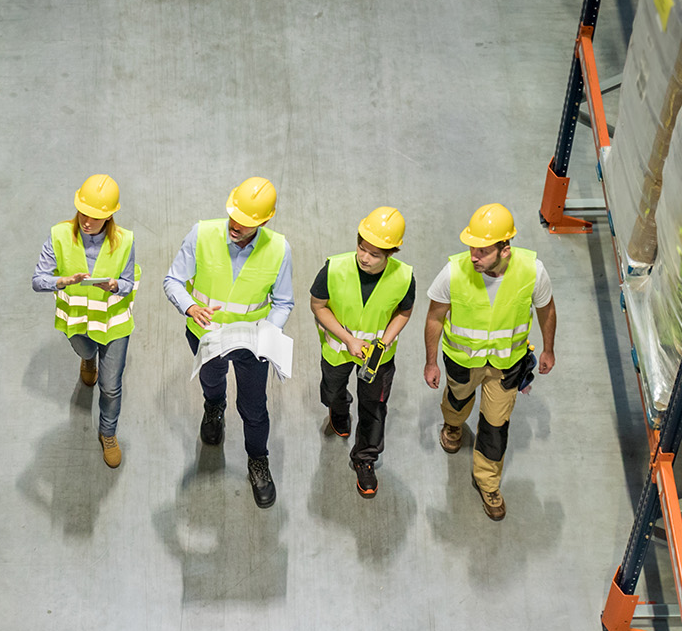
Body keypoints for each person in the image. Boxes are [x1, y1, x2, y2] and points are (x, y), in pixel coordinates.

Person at [163, 176, 293, 509]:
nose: (236, 225)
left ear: (264, 221)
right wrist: (190, 307)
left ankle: (257, 460)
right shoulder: (202, 233)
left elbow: (283, 302)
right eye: (234, 216)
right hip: (206, 337)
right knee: (212, 382)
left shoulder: (279, 249)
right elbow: (173, 280)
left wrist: (267, 334)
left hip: (252, 345)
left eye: (247, 222)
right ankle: (214, 408)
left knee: (254, 407)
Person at [421, 203, 557, 521]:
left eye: (482, 251)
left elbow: (546, 310)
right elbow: (434, 318)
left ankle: (488, 482)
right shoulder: (453, 271)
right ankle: (453, 426)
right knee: (457, 401)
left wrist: (548, 350)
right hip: (462, 361)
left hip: (507, 365)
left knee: (495, 426)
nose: (473, 256)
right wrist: (431, 362)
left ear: (505, 248)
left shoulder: (532, 271)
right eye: (471, 248)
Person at [32, 173, 136, 467]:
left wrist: (115, 286)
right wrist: (61, 281)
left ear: (109, 216)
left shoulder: (125, 240)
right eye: (83, 213)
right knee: (87, 351)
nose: (87, 221)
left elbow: (128, 283)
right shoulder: (59, 235)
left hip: (113, 324)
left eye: (95, 217)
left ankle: (108, 432)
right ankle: (88, 359)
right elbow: (37, 281)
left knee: (111, 386)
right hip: (78, 323)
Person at [310, 206, 414, 499]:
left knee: (374, 407)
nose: (364, 257)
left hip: (377, 359)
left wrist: (385, 340)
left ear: (391, 253)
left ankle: (365, 458)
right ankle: (338, 407)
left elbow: (404, 312)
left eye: (374, 254)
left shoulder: (404, 277)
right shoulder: (334, 268)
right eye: (361, 247)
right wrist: (348, 340)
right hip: (339, 351)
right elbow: (318, 306)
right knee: (331, 391)